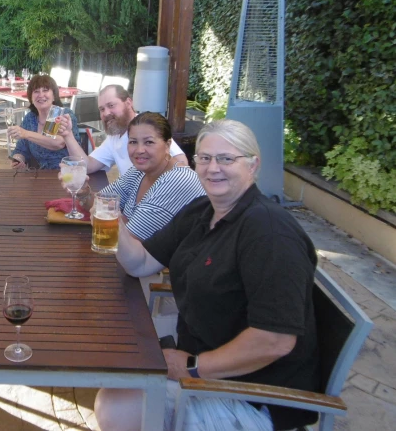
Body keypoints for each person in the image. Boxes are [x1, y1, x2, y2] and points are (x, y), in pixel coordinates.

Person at [95, 120, 319, 431]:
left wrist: (190, 366)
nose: (213, 168)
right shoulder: (203, 210)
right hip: (202, 363)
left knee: (119, 407)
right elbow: (140, 262)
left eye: (226, 158)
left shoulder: (269, 232)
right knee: (116, 378)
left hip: (254, 396)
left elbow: (275, 340)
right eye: (204, 158)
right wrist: (111, 220)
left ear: (253, 165)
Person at [73, 112, 206, 242]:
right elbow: (100, 204)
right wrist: (83, 192)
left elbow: (128, 238)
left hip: (169, 263)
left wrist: (116, 217)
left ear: (167, 145)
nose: (139, 150)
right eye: (133, 142)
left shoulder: (177, 180)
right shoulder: (139, 172)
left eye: (149, 142)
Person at [61, 84, 187, 176]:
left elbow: (182, 163)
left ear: (128, 103)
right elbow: (88, 166)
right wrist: (68, 135)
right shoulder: (115, 136)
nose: (106, 113)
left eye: (111, 106)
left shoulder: (147, 126)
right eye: (102, 109)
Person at [7, 74, 80, 170]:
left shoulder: (62, 114)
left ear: (54, 96)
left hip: (67, 174)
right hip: (40, 176)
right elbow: (21, 149)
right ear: (31, 98)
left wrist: (25, 133)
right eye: (36, 91)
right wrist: (18, 159)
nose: (41, 95)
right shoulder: (30, 119)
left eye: (45, 90)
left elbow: (58, 143)